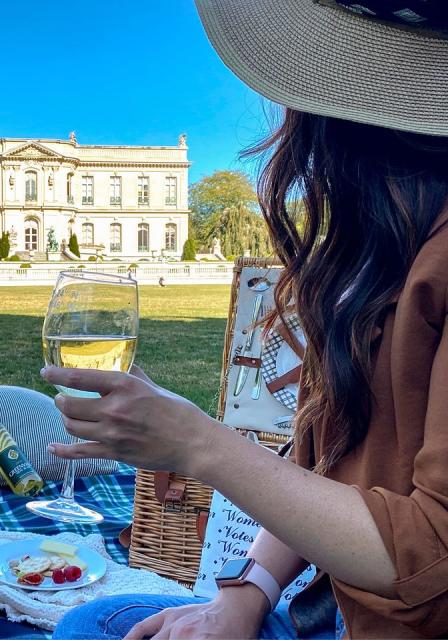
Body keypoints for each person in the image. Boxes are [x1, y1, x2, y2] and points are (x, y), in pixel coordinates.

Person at [51, 2, 448, 639]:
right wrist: (248, 592)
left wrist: (197, 444)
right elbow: (327, 461)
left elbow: (431, 557)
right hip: (332, 603)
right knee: (95, 619)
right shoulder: (383, 247)